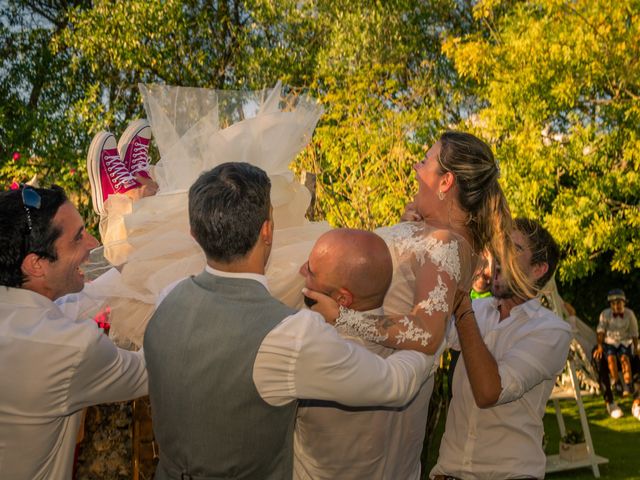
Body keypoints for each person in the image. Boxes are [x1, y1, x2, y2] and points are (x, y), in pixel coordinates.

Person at [143, 163, 434, 480]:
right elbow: (394, 384)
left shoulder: (166, 298)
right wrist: (431, 337)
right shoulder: (290, 335)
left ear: (194, 234)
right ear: (267, 230)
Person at [0, 185, 148, 480]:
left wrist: (143, 246)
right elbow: (157, 369)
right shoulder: (69, 347)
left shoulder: (21, 314)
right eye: (78, 237)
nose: (92, 242)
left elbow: (68, 307)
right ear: (36, 264)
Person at [430, 218, 572, 480]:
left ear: (539, 268)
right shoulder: (478, 311)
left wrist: (462, 305)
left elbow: (489, 392)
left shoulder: (552, 331)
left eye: (513, 247)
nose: (498, 254)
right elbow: (425, 335)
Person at [296, 228, 431, 479]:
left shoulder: (316, 352)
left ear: (343, 299)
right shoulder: (422, 346)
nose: (302, 270)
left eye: (312, 271)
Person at [593, 288, 638, 397]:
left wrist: (636, 348)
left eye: (618, 303)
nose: (616, 306)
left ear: (624, 303)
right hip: (610, 341)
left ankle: (628, 383)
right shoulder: (605, 314)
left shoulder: (629, 314)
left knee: (624, 359)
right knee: (611, 358)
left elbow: (634, 333)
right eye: (613, 304)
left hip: (624, 341)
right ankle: (616, 383)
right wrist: (599, 346)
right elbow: (601, 331)